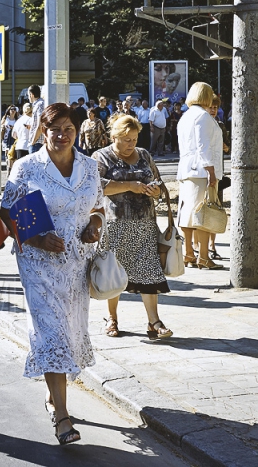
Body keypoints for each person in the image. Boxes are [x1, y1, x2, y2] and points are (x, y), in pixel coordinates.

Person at [0, 102, 103, 445]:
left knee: (70, 332)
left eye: (68, 129)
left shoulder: (88, 166)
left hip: (76, 265)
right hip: (38, 266)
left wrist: (95, 227)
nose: (62, 135)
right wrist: (40, 238)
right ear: (43, 131)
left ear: (77, 130)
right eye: (54, 129)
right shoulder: (27, 167)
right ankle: (62, 417)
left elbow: (99, 207)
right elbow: (8, 215)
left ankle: (53, 396)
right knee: (52, 334)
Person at [91, 114, 172, 339]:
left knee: (149, 273)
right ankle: (112, 319)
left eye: (134, 139)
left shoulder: (144, 154)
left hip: (145, 225)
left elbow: (158, 182)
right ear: (114, 136)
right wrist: (130, 186)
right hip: (115, 226)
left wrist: (155, 190)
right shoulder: (102, 156)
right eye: (127, 139)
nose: (131, 144)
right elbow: (97, 186)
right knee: (112, 275)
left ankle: (154, 322)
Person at [176, 82, 224, 270]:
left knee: (188, 212)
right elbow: (203, 146)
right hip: (202, 171)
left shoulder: (185, 116)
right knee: (204, 213)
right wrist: (211, 171)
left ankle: (189, 252)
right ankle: (203, 256)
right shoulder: (203, 116)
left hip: (187, 170)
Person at [207, 94, 231, 261]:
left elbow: (228, 148)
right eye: (211, 107)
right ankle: (197, 246)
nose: (213, 110)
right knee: (203, 211)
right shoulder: (201, 125)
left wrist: (225, 147)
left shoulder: (220, 125)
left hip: (218, 174)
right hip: (205, 175)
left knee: (216, 211)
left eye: (216, 107)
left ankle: (212, 246)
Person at [9, 103, 33, 170]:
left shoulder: (18, 121)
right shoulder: (32, 120)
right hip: (29, 146)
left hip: (19, 146)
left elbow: (14, 135)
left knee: (21, 169)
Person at [26, 84, 45, 154]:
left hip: (37, 143)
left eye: (28, 95)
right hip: (37, 142)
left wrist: (32, 142)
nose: (28, 97)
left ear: (31, 95)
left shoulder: (39, 105)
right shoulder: (40, 104)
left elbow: (40, 126)